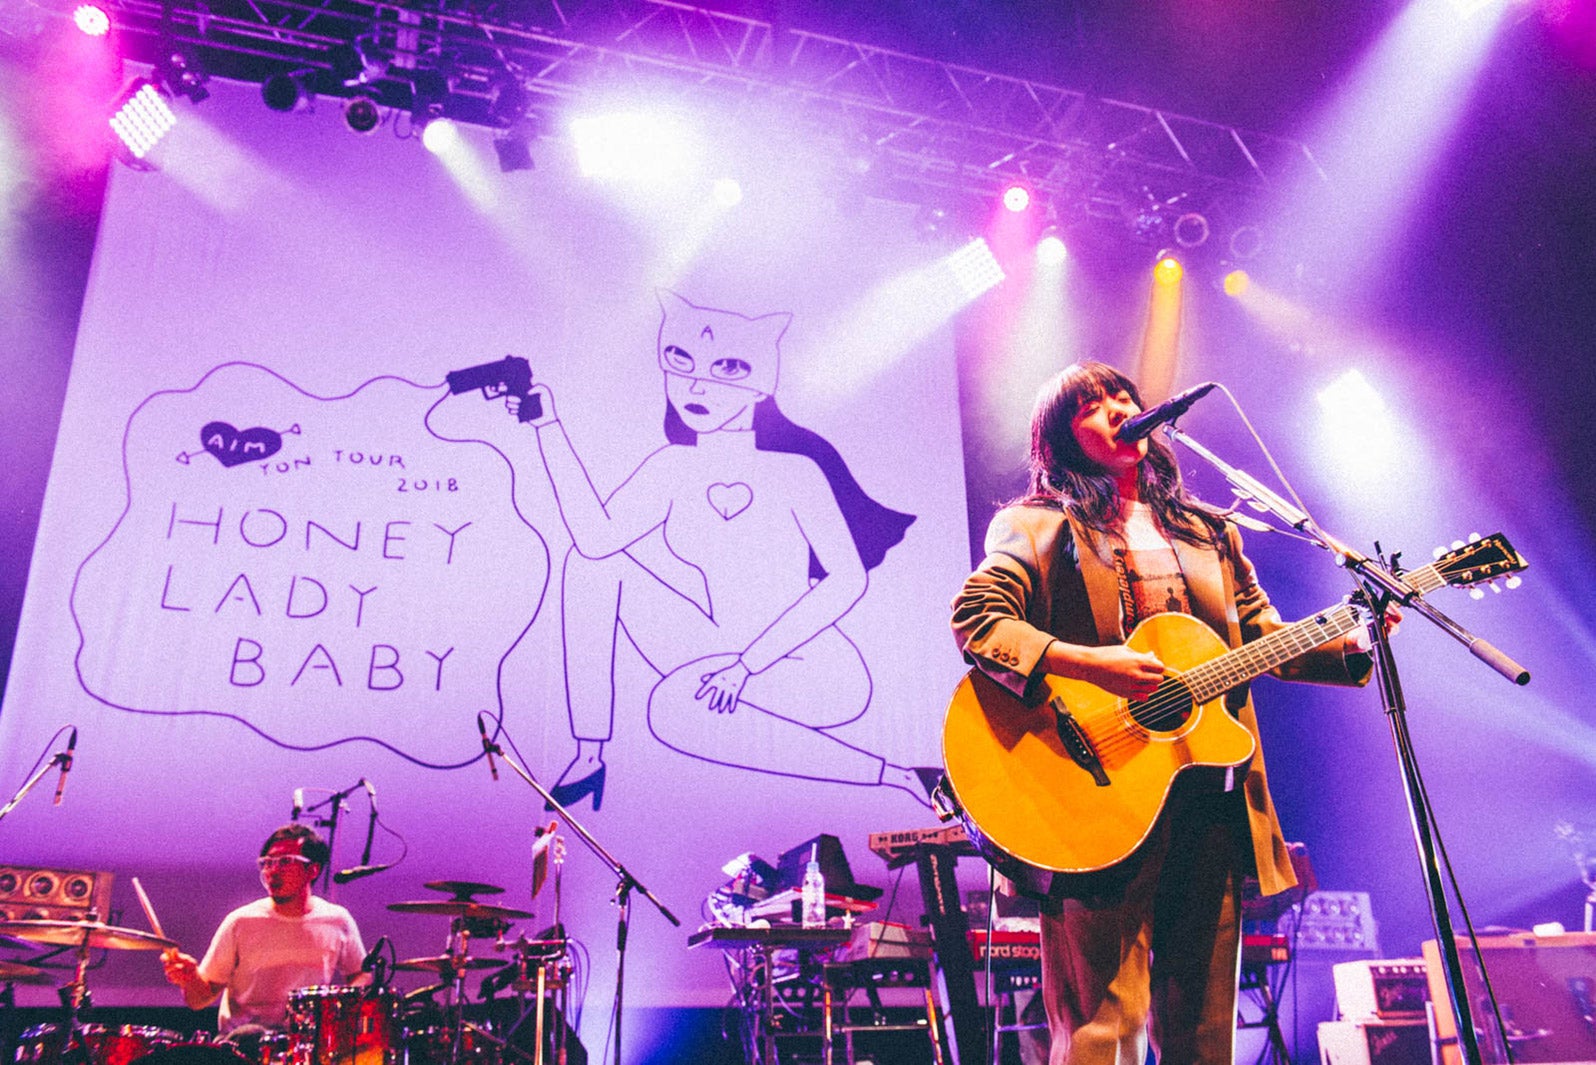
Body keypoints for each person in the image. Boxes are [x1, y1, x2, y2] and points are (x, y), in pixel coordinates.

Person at [950, 362, 1392, 1065]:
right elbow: (979, 619)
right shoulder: (1034, 526)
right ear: (1061, 439)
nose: (1118, 407)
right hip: (1094, 793)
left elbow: (1261, 636)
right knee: (1103, 1029)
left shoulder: (1208, 531)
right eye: (1091, 405)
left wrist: (1355, 641)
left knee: (1205, 1030)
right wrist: (1091, 664)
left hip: (1208, 794)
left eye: (1123, 394)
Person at [502, 291, 926, 810]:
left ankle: (901, 777)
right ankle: (589, 754)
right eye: (681, 364)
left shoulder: (794, 473)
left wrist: (746, 666)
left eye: (726, 369)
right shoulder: (671, 467)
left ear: (760, 386)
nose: (698, 387)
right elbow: (594, 539)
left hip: (803, 661)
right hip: (712, 644)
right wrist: (547, 427)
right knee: (589, 565)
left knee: (674, 710)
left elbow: (848, 580)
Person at [161, 823, 367, 1034]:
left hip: (303, 1040)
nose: (273, 871)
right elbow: (198, 1001)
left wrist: (340, 1008)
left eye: (285, 861)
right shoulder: (241, 921)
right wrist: (191, 979)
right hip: (243, 1042)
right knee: (250, 1035)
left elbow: (360, 974)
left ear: (313, 870)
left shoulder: (337, 920)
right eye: (268, 863)